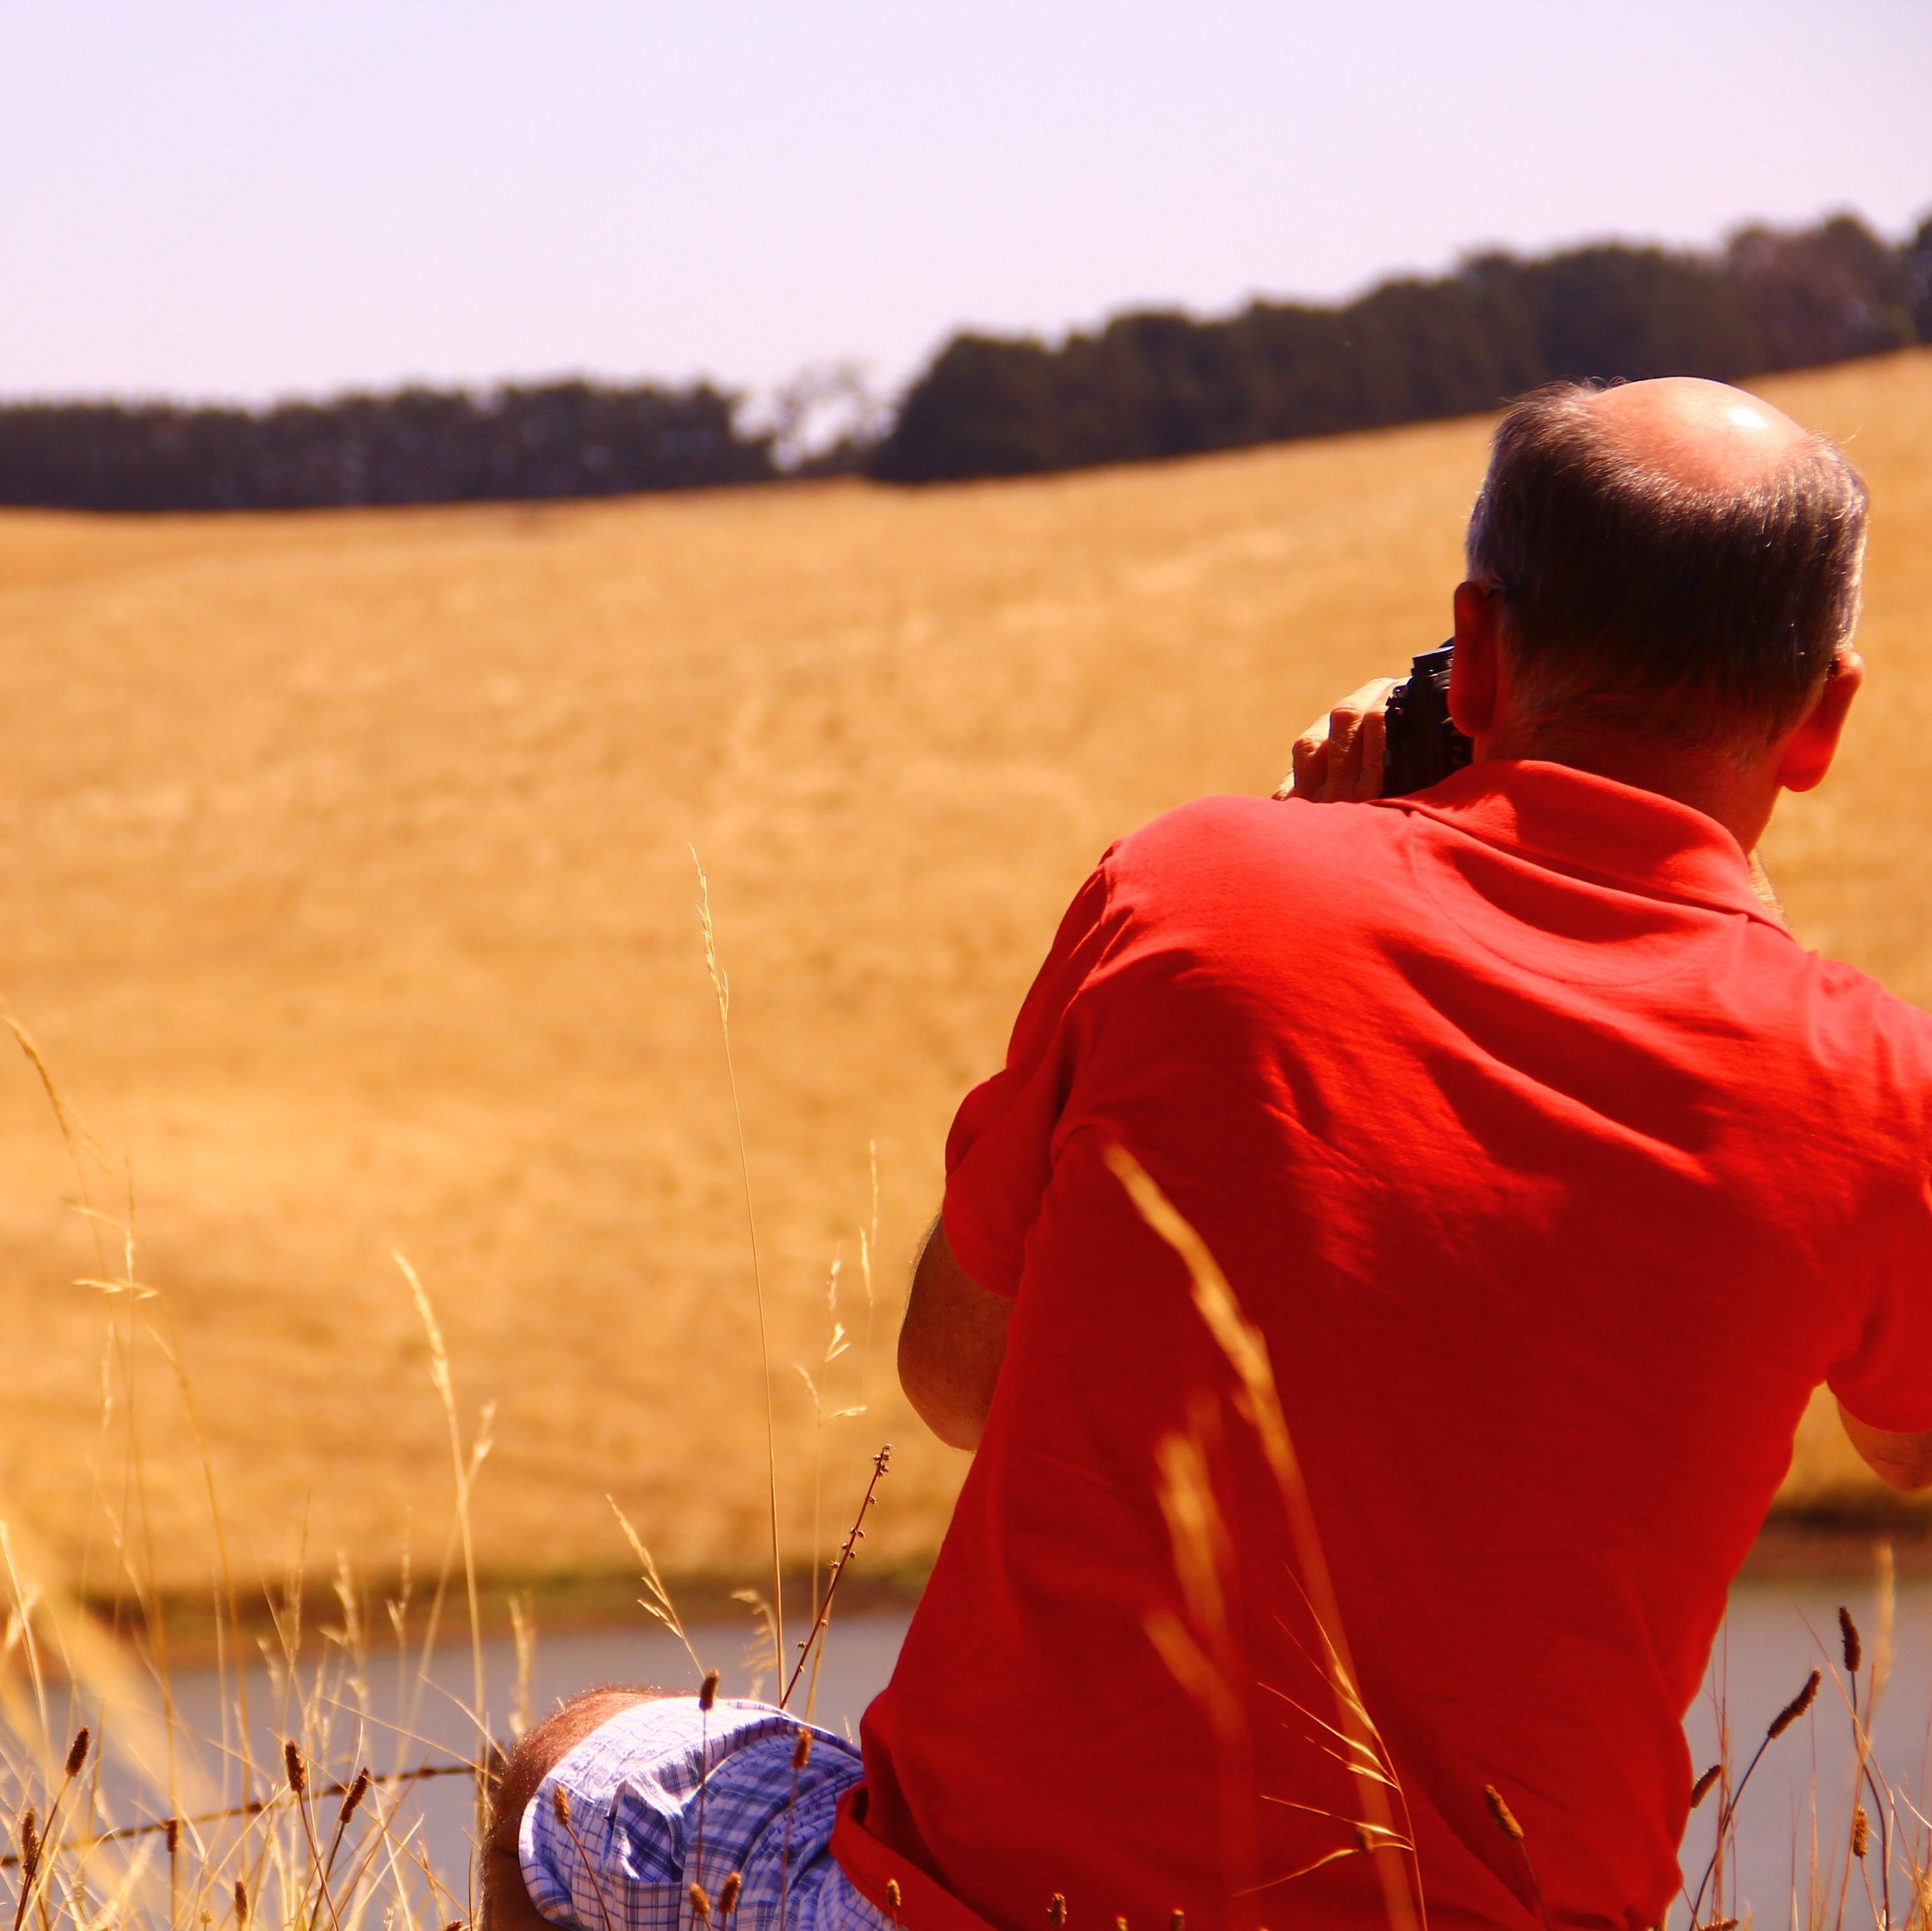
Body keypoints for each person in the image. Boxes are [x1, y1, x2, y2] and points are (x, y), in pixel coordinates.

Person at [482, 377, 1932, 1931]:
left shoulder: (1198, 887)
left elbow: (954, 1380)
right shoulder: (1880, 1089)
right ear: (1825, 717)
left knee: (558, 1775)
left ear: (1482, 646)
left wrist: (1309, 851)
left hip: (976, 1903)